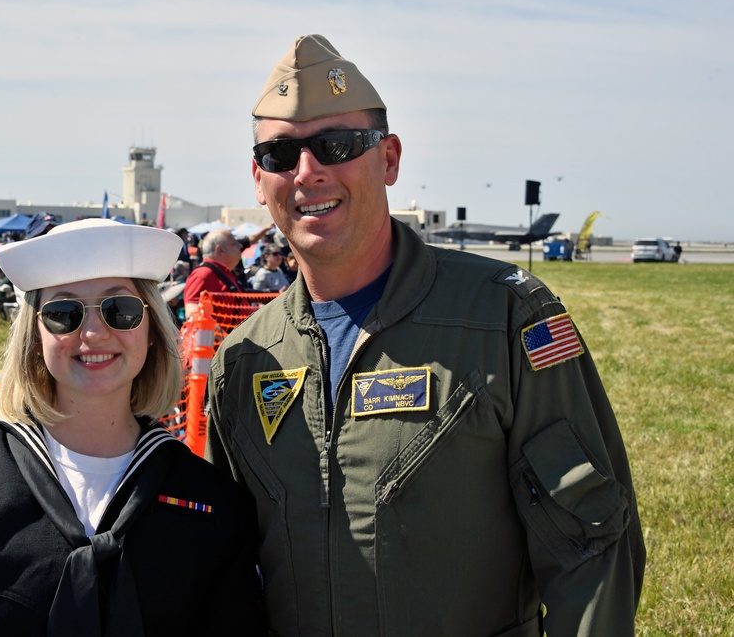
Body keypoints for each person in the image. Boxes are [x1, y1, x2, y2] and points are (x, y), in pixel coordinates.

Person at [205, 34, 645, 636]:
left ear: (389, 159)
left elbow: (591, 545)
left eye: (337, 145)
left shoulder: (503, 318)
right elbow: (226, 570)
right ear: (259, 180)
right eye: (281, 155)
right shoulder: (244, 360)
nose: (308, 172)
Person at [0, 218, 264, 636]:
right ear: (35, 336)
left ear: (153, 329)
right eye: (64, 312)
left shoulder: (211, 501)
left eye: (121, 309)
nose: (95, 332)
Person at [182, 228, 244, 319]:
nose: (240, 245)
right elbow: (193, 313)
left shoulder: (224, 272)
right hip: (227, 333)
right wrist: (220, 333)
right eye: (234, 243)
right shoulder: (203, 274)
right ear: (220, 250)